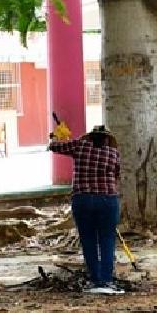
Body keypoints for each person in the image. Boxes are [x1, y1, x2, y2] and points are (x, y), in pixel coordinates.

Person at [49, 123, 123, 295]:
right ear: (106, 139)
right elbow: (117, 175)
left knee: (88, 240)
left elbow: (53, 147)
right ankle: (106, 280)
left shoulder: (79, 146)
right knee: (107, 240)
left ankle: (95, 280)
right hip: (107, 201)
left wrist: (56, 136)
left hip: (82, 200)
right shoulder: (113, 153)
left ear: (90, 137)